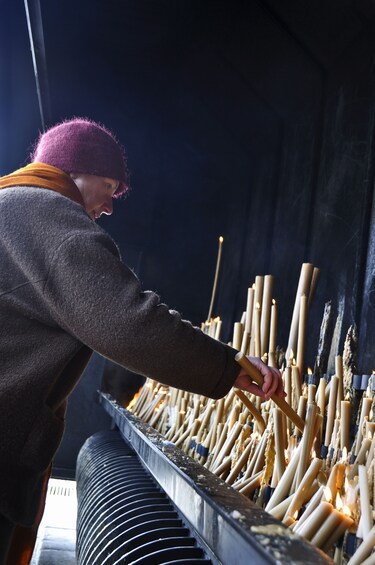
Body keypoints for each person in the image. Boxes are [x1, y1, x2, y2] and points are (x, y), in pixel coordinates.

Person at [0, 118, 283, 564]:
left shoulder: (7, 204)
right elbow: (130, 322)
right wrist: (228, 367)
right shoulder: (47, 214)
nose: (110, 205)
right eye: (109, 185)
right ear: (73, 168)